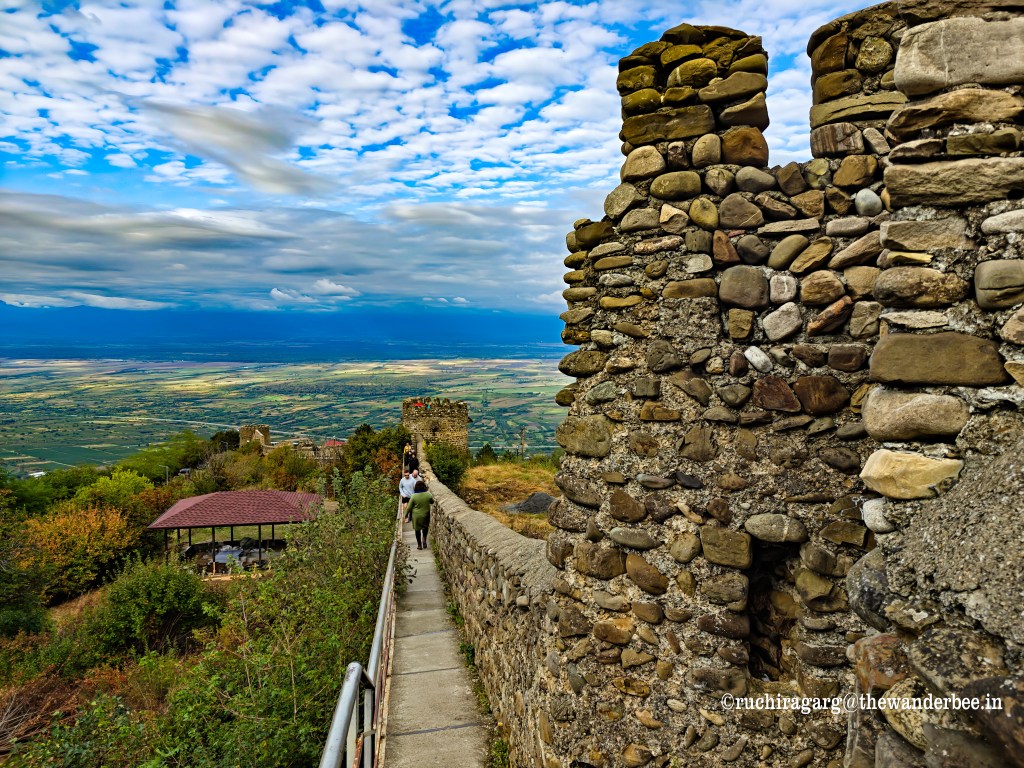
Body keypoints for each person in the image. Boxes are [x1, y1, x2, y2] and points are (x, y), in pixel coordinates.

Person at [407, 480, 433, 550]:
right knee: (425, 527)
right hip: (426, 515)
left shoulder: (413, 496)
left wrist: (406, 515)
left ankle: (419, 545)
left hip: (416, 516)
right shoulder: (428, 494)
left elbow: (409, 507)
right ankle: (424, 538)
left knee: (417, 530)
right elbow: (432, 501)